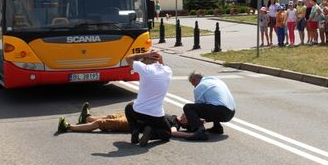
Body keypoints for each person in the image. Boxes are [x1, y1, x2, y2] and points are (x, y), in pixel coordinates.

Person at [57, 102, 195, 139]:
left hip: (133, 124)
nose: (184, 116)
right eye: (186, 114)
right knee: (109, 117)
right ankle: (86, 118)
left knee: (101, 124)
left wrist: (192, 135)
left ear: (185, 123)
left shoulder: (174, 124)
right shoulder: (173, 117)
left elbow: (173, 133)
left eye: (187, 118)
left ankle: (68, 127)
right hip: (134, 115)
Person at [124, 50, 173, 147]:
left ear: (147, 58)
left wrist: (145, 54)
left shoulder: (144, 68)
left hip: (139, 111)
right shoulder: (168, 70)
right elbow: (163, 65)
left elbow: (128, 58)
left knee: (128, 107)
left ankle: (135, 130)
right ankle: (151, 133)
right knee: (167, 134)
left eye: (144, 59)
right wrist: (160, 60)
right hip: (156, 114)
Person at [183, 72, 236, 141]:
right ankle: (217, 128)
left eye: (193, 85)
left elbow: (198, 107)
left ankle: (199, 131)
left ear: (195, 80)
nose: (194, 87)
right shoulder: (215, 80)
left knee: (188, 107)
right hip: (231, 112)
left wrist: (189, 118)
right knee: (213, 103)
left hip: (222, 112)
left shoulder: (200, 86)